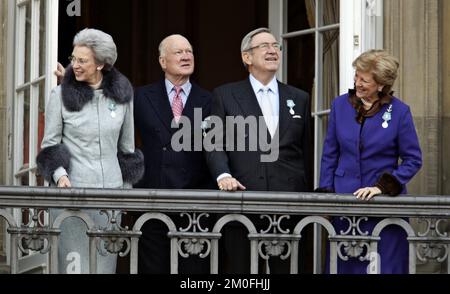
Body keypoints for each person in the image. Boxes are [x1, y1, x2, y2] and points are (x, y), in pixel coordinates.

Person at [205, 27, 313, 273]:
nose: (272, 50)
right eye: (264, 46)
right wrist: (223, 176)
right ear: (247, 57)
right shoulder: (225, 95)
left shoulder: (299, 97)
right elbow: (214, 142)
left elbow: (305, 152)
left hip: (288, 205)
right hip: (242, 202)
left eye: (276, 46)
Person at [36, 28, 144, 274]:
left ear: (100, 64)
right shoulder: (60, 95)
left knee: (104, 267)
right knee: (75, 268)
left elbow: (127, 149)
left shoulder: (122, 96)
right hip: (72, 195)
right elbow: (50, 145)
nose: (75, 65)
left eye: (82, 60)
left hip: (110, 197)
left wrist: (127, 193)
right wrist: (60, 175)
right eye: (73, 58)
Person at [318, 49, 422, 274]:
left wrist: (381, 187)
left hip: (384, 210)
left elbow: (413, 159)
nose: (357, 83)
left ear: (381, 85)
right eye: (356, 76)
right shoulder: (340, 106)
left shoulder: (400, 112)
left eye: (364, 80)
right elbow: (330, 154)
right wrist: (325, 195)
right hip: (344, 206)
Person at [133, 34, 214, 274]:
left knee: (194, 273)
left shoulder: (210, 100)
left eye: (189, 51)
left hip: (195, 205)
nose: (186, 56)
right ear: (162, 61)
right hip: (152, 200)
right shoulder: (141, 96)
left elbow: (217, 149)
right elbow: (108, 116)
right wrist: (76, 84)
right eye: (178, 52)